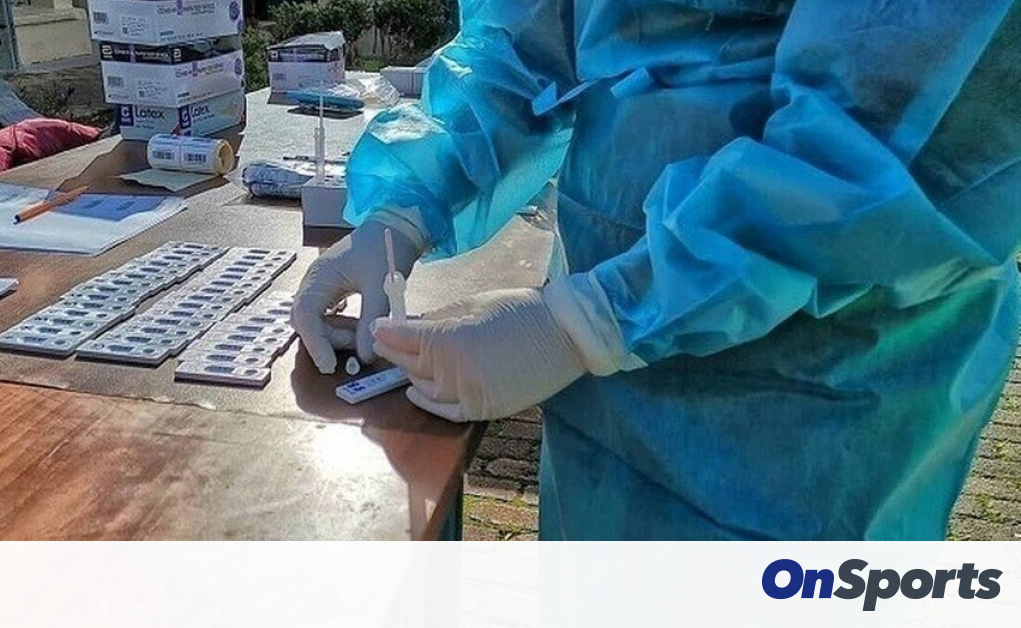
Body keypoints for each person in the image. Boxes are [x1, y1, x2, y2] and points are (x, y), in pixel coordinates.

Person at [291, 0, 1021, 539]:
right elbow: (522, 46)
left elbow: (890, 138)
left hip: (813, 409)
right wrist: (401, 211)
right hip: (605, 407)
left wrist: (597, 317)